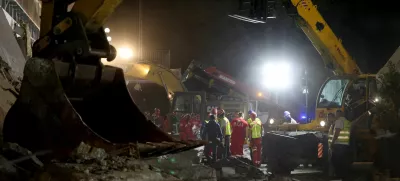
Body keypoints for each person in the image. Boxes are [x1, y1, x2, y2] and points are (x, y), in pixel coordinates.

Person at [329, 110, 351, 180]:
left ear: (338, 114)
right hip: (345, 144)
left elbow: (337, 132)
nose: (335, 116)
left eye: (336, 114)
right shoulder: (347, 122)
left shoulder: (339, 121)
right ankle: (343, 176)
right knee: (342, 162)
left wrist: (332, 143)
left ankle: (339, 175)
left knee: (335, 160)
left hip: (338, 145)